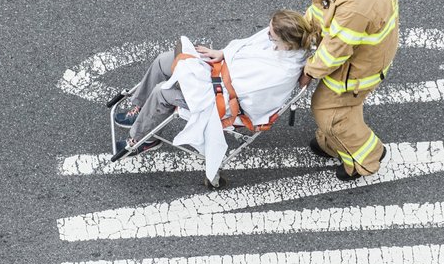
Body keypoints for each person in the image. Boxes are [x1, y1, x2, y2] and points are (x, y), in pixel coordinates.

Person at [113, 9, 314, 158]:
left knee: (162, 92)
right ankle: (140, 109)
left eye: (271, 34)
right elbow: (244, 48)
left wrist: (199, 81)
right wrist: (222, 55)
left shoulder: (280, 73)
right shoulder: (279, 43)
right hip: (218, 80)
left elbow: (242, 101)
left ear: (286, 43)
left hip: (223, 103)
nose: (266, 35)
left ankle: (144, 139)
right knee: (165, 60)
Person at [299, 0, 399, 181]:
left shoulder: (357, 4)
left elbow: (336, 49)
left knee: (330, 109)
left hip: (359, 68)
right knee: (341, 107)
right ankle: (332, 143)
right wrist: (304, 29)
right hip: (363, 53)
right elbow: (326, 7)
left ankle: (366, 158)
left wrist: (308, 71)